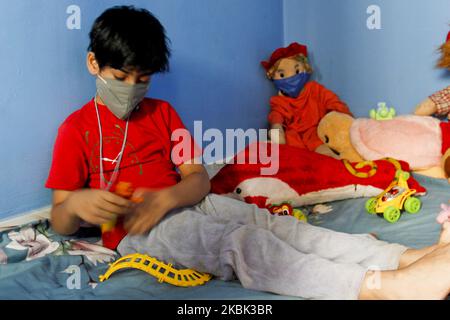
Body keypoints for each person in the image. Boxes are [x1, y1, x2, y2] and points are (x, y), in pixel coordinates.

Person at [47, 5, 450, 300]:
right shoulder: (76, 130)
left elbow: (198, 178)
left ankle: (404, 256)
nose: (131, 88)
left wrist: (168, 196)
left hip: (191, 203)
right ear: (93, 64)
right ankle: (378, 289)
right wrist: (80, 202)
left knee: (281, 226)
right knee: (243, 244)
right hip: (139, 229)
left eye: (143, 80)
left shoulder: (163, 114)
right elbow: (61, 220)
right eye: (120, 78)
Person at [261, 42, 353, 158]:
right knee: (291, 150)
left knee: (323, 151)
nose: (291, 77)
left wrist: (344, 117)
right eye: (282, 75)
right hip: (294, 135)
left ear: (305, 68)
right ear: (273, 77)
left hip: (316, 132)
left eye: (297, 71)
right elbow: (277, 114)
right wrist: (277, 127)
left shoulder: (315, 89)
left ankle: (328, 163)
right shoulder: (279, 100)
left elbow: (332, 101)